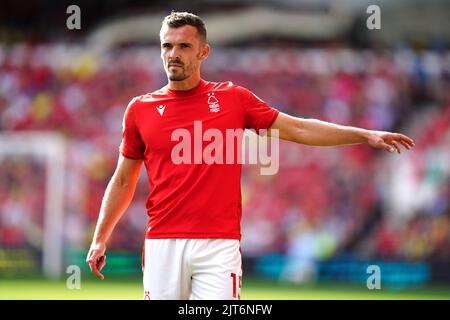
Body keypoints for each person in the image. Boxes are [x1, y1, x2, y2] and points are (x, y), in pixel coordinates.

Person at [86, 11, 415, 300]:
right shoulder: (139, 110)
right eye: (167, 46)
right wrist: (101, 238)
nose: (173, 54)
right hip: (162, 244)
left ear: (203, 52)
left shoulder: (233, 99)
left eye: (184, 46)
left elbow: (298, 129)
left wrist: (362, 134)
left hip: (218, 246)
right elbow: (123, 178)